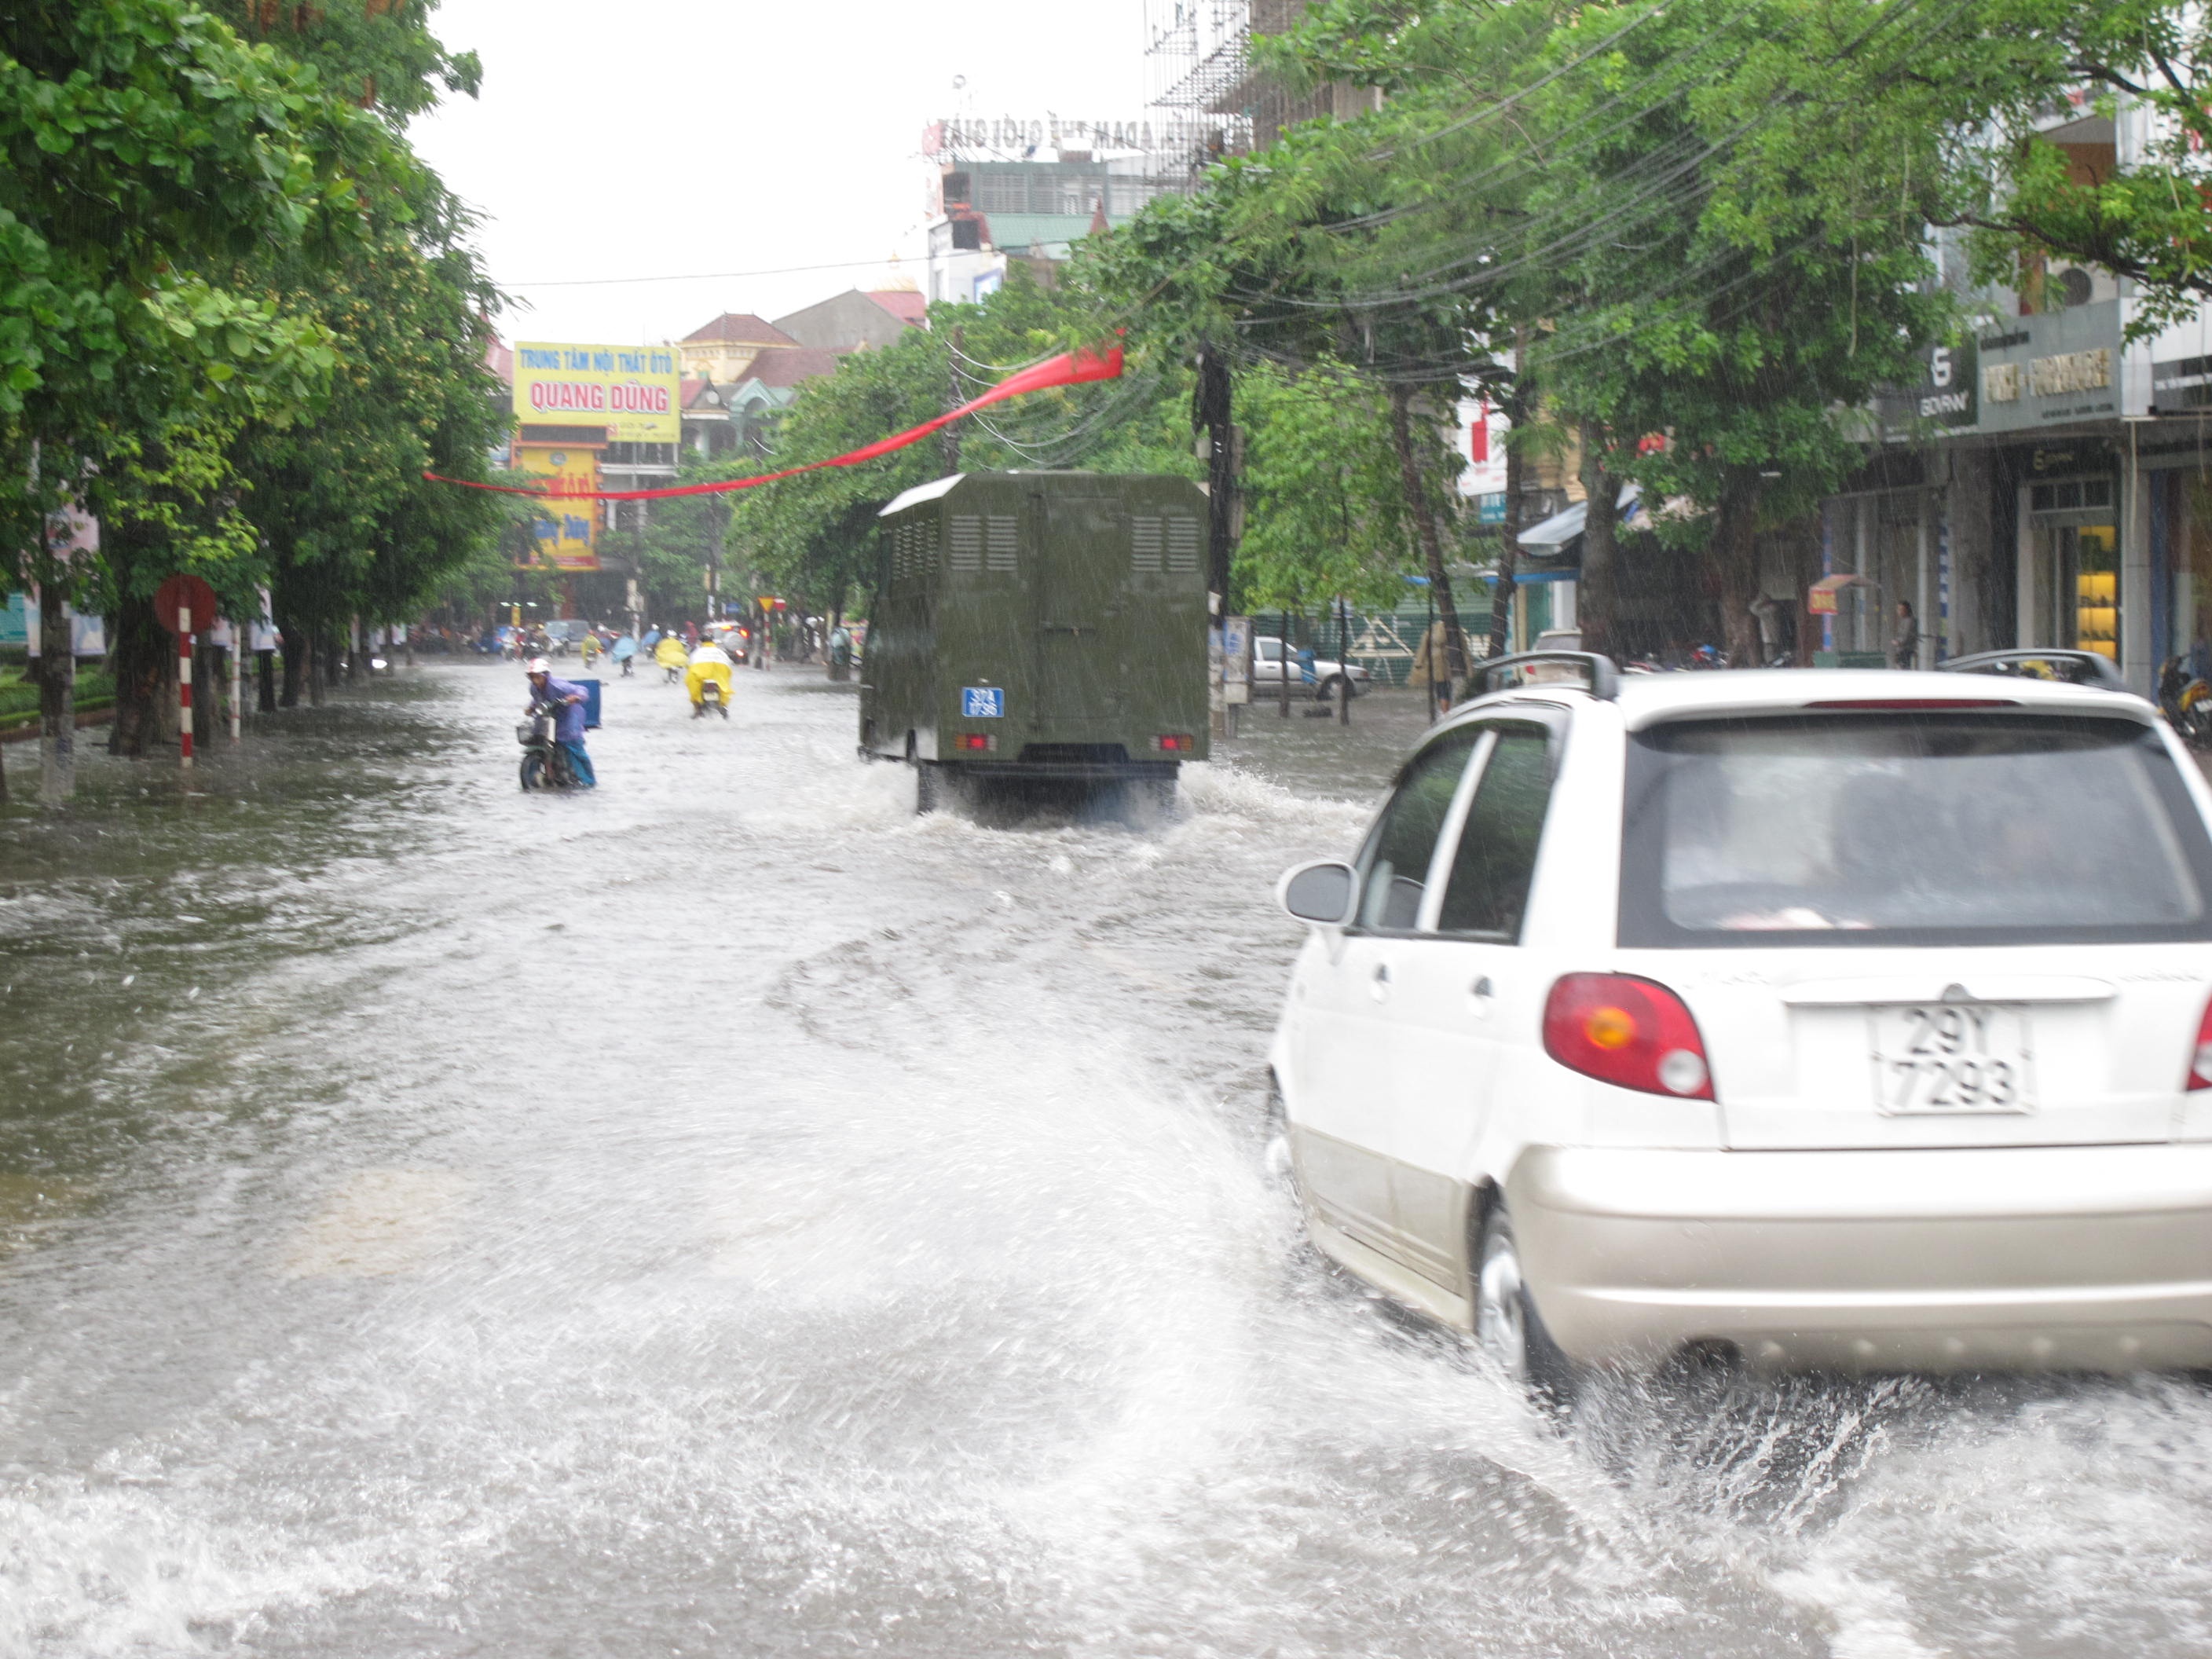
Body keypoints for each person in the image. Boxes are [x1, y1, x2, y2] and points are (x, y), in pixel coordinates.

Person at [523, 657, 595, 788]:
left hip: (569, 717)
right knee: (538, 738)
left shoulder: (559, 686)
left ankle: (588, 781)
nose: (536, 681)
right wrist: (531, 708)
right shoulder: (533, 688)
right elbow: (537, 700)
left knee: (575, 749)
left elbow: (582, 690)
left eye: (538, 677)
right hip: (548, 717)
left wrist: (575, 697)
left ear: (545, 675)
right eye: (533, 677)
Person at [684, 637, 734, 715]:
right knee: (724, 685)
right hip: (719, 673)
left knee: (692, 683)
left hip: (701, 673)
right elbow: (729, 666)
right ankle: (723, 705)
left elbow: (688, 665)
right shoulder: (720, 652)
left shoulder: (697, 652)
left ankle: (697, 708)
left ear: (701, 643)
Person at [1890, 600, 1920, 670]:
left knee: (1904, 668)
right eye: (1898, 609)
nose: (1899, 612)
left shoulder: (1909, 621)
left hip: (1906, 650)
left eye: (1901, 609)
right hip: (1903, 650)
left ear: (1907, 610)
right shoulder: (1904, 620)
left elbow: (1906, 636)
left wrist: (1898, 642)